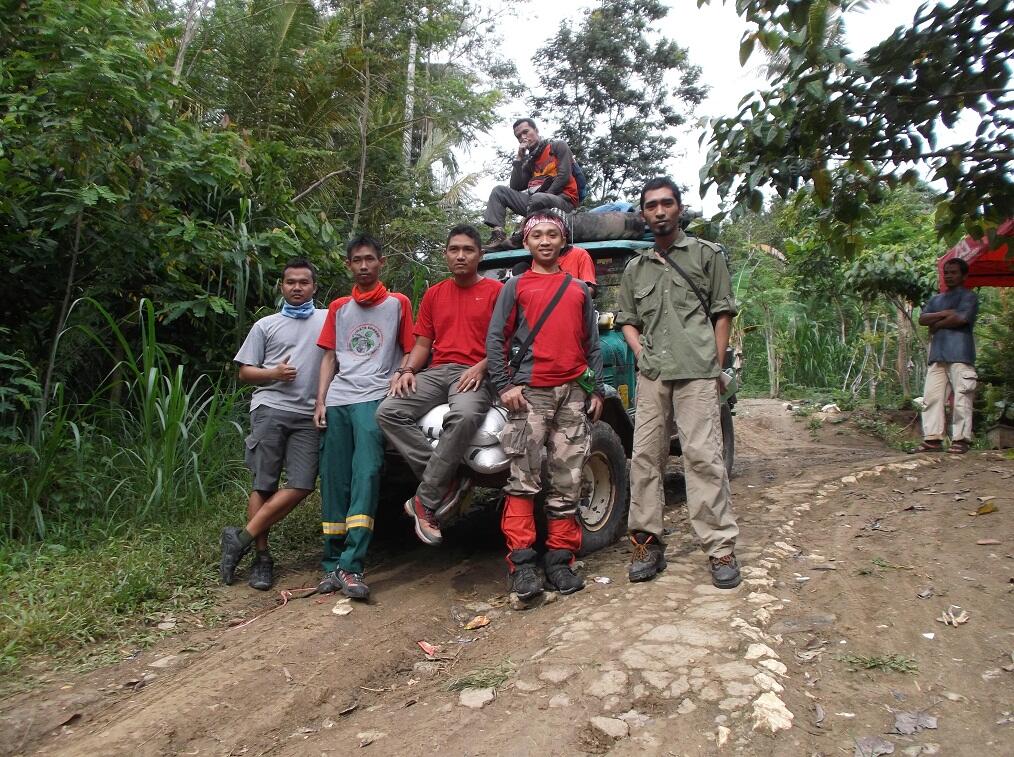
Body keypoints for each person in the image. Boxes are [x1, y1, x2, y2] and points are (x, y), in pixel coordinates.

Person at [615, 177, 742, 590]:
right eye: (651, 205)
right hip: (653, 375)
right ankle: (647, 543)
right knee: (646, 458)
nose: (659, 211)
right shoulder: (637, 268)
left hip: (698, 372)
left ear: (679, 208)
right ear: (643, 214)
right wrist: (639, 354)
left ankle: (720, 547)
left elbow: (723, 312)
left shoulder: (706, 256)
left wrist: (716, 363)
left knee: (703, 456)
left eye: (666, 203)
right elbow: (628, 321)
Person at [486, 210, 604, 600]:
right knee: (522, 479)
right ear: (527, 242)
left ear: (563, 241)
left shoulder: (576, 289)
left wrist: (596, 390)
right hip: (530, 395)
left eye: (553, 234)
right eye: (538, 235)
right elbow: (496, 340)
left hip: (572, 393)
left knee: (568, 478)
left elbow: (592, 344)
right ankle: (521, 564)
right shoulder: (514, 287)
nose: (546, 241)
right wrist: (504, 386)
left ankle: (560, 561)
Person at [376, 224, 503, 545]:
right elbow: (423, 343)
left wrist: (482, 366)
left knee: (463, 416)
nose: (461, 256)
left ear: (480, 255)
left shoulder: (497, 293)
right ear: (446, 254)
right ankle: (446, 481)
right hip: (437, 370)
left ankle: (426, 498)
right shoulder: (435, 293)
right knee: (388, 411)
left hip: (475, 371)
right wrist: (406, 369)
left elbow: (506, 341)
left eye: (468, 250)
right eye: (454, 250)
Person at [314, 235, 415, 599]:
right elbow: (328, 357)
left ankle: (351, 564)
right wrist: (320, 400)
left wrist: (403, 371)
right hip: (339, 398)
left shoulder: (398, 303)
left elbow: (410, 348)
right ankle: (331, 563)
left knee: (367, 472)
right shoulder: (339, 307)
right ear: (348, 265)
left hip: (375, 398)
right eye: (356, 260)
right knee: (334, 478)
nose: (363, 266)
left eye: (369, 259)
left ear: (381, 262)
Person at [220, 259, 328, 590]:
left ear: (314, 287)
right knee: (263, 485)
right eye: (291, 282)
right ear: (282, 287)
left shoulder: (327, 320)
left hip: (310, 414)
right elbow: (244, 372)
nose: (297, 287)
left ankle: (239, 540)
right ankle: (262, 558)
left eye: (304, 282)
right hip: (271, 408)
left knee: (303, 484)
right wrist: (273, 374)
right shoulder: (266, 325)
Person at [483, 118, 579, 251]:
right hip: (536, 204)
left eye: (526, 132)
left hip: (563, 201)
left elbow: (564, 176)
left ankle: (521, 235)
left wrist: (543, 196)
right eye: (519, 136)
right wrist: (519, 158)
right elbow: (515, 186)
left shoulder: (557, 146)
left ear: (536, 130)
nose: (523, 137)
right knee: (499, 191)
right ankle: (498, 235)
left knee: (538, 198)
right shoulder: (531, 162)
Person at [913, 258, 979, 454]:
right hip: (938, 355)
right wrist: (946, 314)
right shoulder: (936, 299)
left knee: (962, 397)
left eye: (954, 272)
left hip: (960, 354)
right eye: (946, 272)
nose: (949, 276)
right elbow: (923, 319)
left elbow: (961, 318)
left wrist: (937, 323)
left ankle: (961, 439)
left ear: (964, 275)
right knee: (931, 397)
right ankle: (932, 439)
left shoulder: (969, 297)